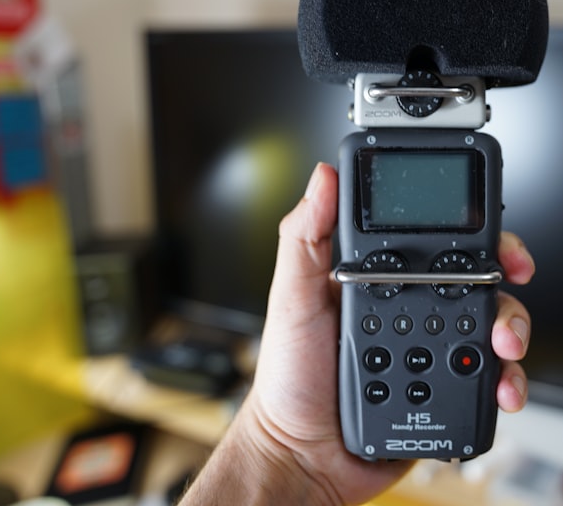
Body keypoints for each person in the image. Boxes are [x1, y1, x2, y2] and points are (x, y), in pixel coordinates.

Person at [180, 162, 535, 505]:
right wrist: (280, 450)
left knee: (494, 336)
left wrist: (285, 458)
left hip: (343, 448)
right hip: (337, 441)